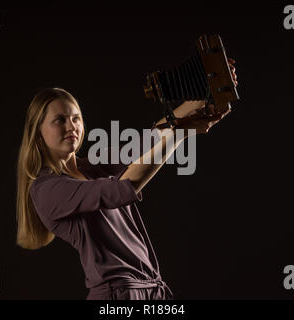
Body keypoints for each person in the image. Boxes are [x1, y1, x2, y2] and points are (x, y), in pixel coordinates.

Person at [15, 61, 237, 300]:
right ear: (38, 133)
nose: (72, 126)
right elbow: (124, 187)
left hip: (153, 291)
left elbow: (150, 141)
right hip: (117, 296)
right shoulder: (46, 189)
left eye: (76, 118)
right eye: (60, 120)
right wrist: (181, 133)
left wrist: (208, 91)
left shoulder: (93, 165)